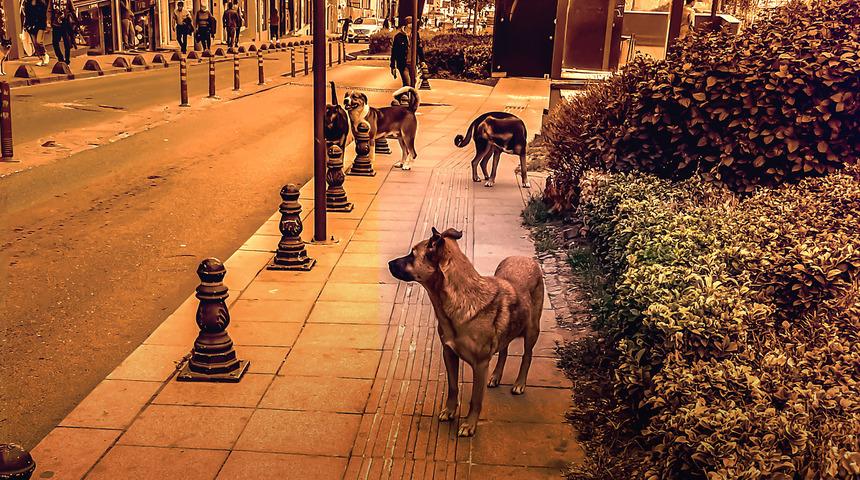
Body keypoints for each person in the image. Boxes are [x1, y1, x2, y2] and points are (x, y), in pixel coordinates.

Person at [46, 0, 76, 64]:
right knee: (55, 42)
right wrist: (48, 21)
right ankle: (60, 58)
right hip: (56, 24)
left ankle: (67, 60)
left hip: (66, 23)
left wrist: (73, 19)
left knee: (67, 42)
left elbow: (72, 10)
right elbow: (49, 10)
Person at [23, 0, 49, 65]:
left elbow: (44, 15)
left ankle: (45, 54)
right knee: (35, 43)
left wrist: (45, 24)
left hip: (40, 25)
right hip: (31, 26)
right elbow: (27, 15)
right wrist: (26, 25)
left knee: (39, 41)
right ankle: (41, 59)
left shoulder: (41, 3)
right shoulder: (27, 3)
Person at [390, 17, 412, 87]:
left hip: (413, 64)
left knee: (413, 84)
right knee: (407, 83)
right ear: (408, 24)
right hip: (403, 64)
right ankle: (404, 97)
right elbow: (394, 52)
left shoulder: (415, 35)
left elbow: (419, 48)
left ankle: (408, 97)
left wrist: (422, 61)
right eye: (412, 23)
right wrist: (393, 66)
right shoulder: (398, 36)